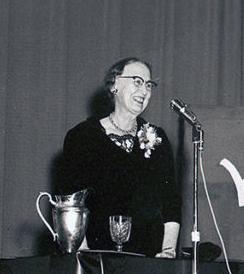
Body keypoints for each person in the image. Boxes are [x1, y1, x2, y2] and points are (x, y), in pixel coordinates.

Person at [55, 57, 181, 257]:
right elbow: (72, 203)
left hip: (148, 260)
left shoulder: (158, 138)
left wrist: (168, 251)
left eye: (149, 85)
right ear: (114, 85)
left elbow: (171, 203)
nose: (144, 90)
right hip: (98, 259)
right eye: (137, 81)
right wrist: (84, 258)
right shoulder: (82, 136)